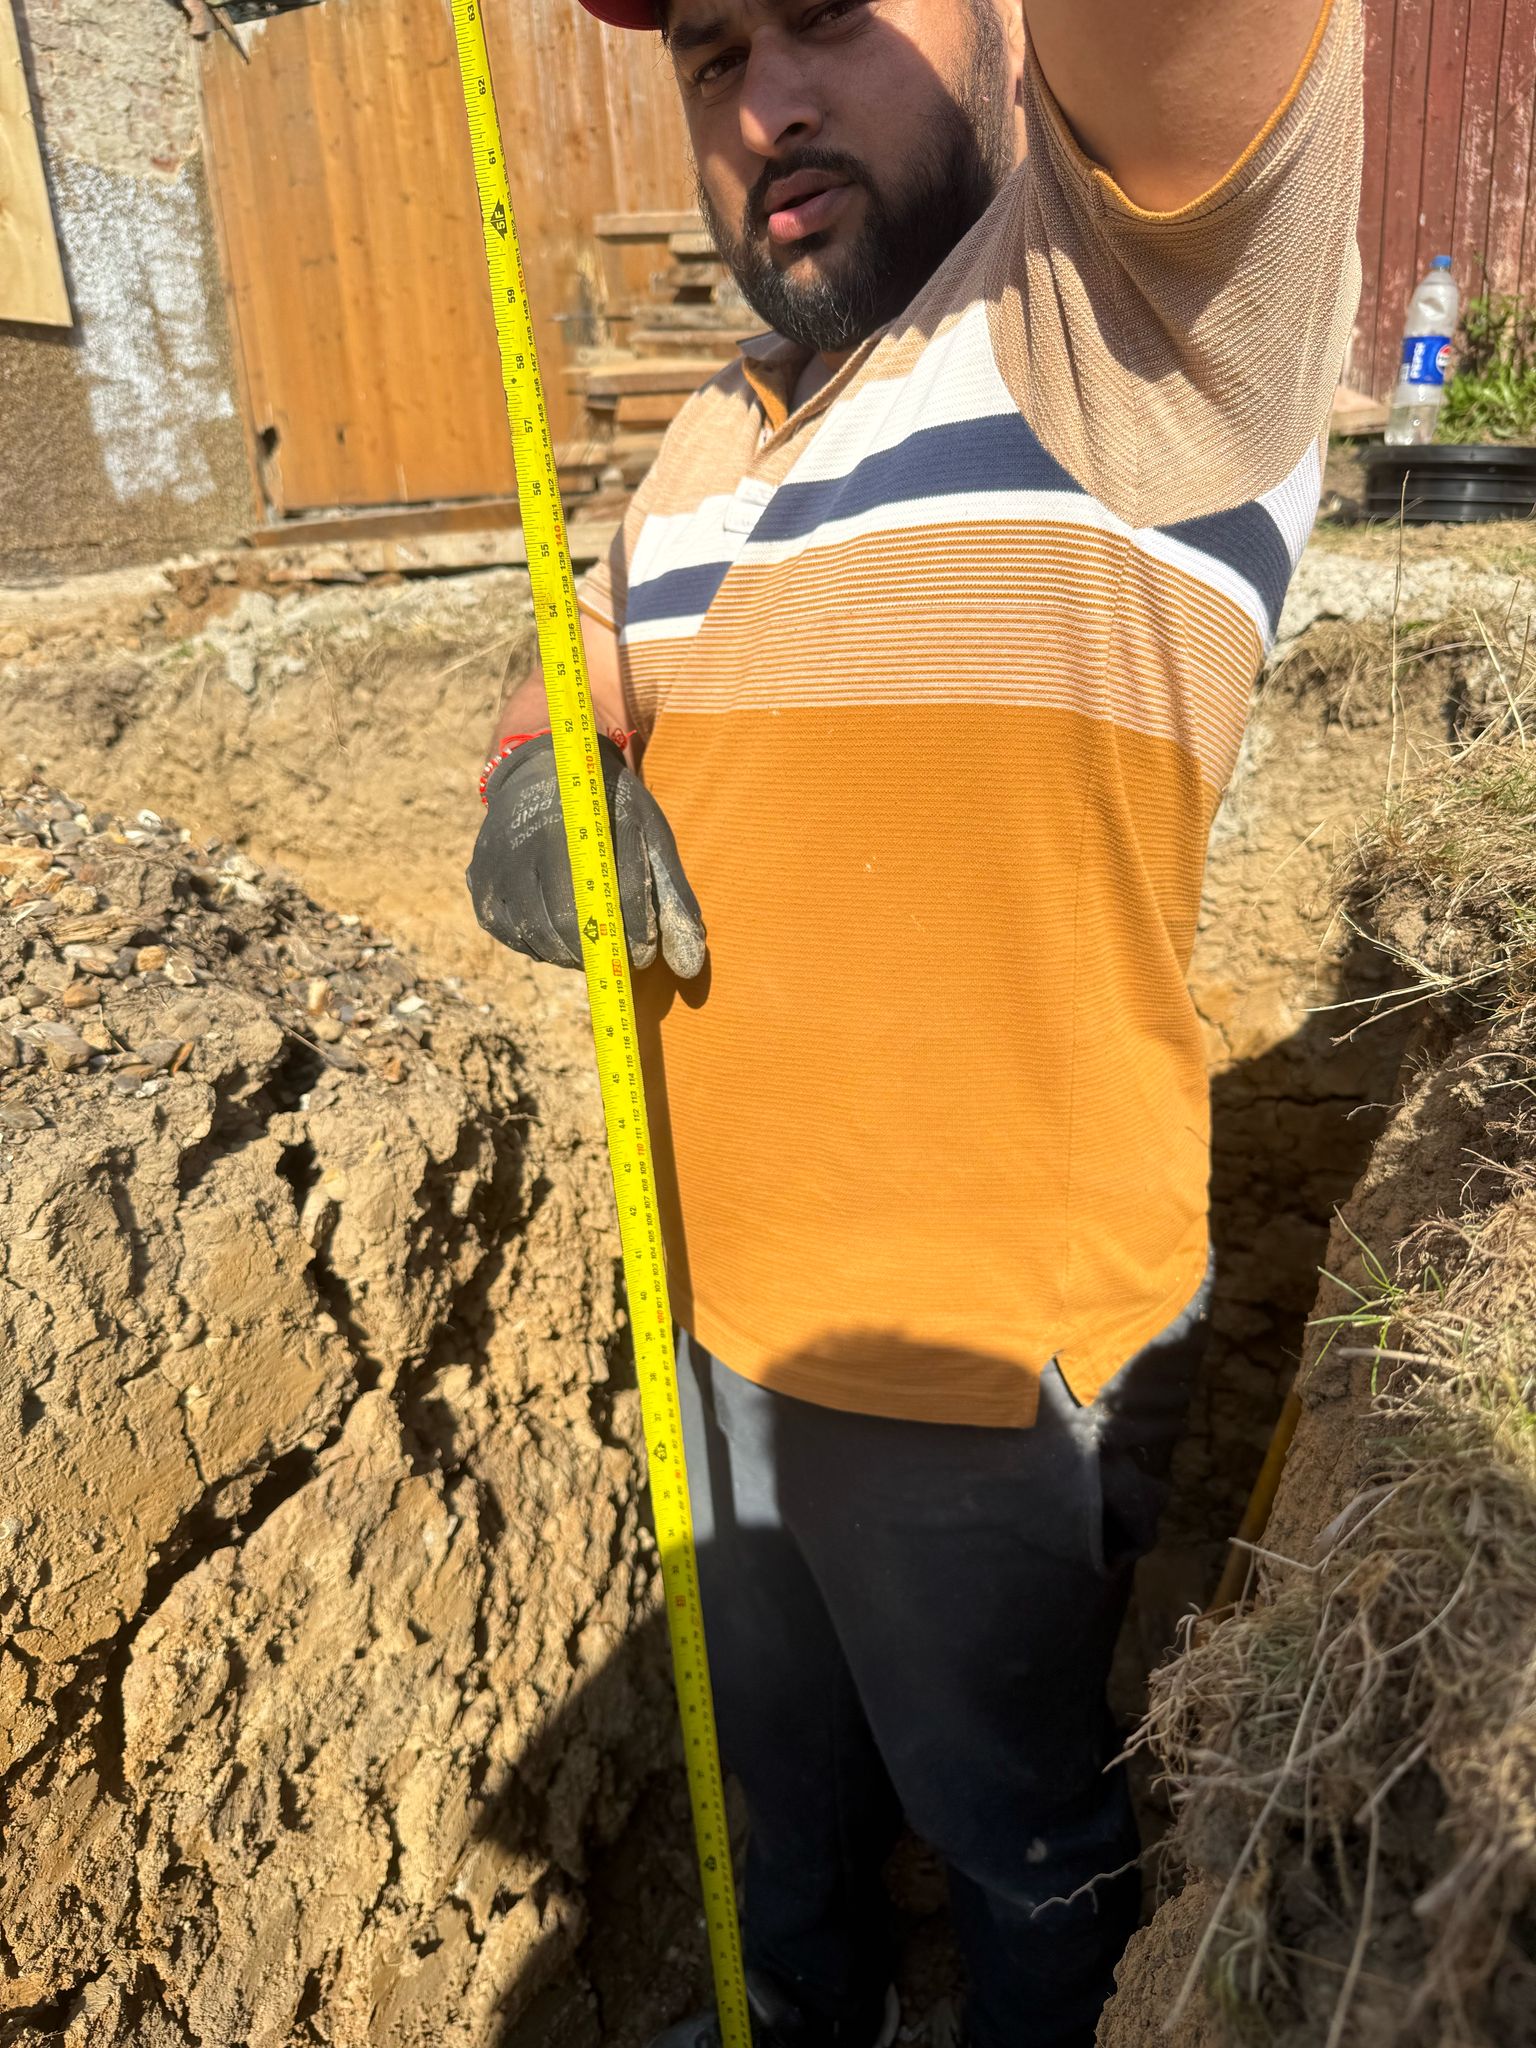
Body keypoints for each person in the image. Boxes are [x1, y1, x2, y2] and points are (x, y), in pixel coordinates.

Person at [467, 0, 1364, 2040]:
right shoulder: (717, 428)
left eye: (827, 17)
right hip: (714, 1304)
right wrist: (541, 758)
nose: (768, 101)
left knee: (1013, 1826)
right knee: (779, 1788)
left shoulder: (1130, 318)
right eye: (713, 55)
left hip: (982, 1361)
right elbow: (584, 641)